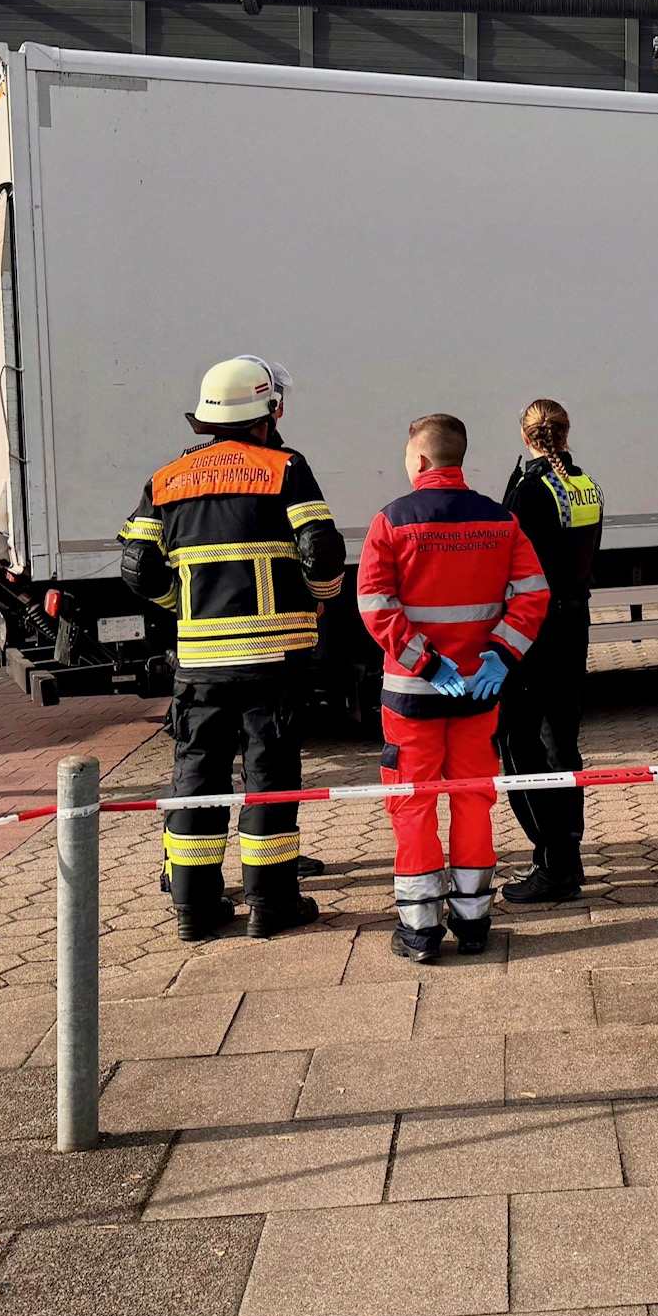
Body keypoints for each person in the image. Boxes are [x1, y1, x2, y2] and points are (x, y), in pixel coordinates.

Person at [119, 356, 346, 943]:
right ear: (269, 412)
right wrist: (321, 596)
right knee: (269, 771)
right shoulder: (286, 469)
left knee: (196, 771)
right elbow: (321, 549)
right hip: (275, 656)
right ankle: (270, 903)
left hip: (200, 659)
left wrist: (182, 603)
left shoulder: (168, 477)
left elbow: (137, 567)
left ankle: (195, 909)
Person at [358, 413, 550, 963]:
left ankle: (419, 932)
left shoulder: (390, 521)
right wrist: (501, 654)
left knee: (412, 802)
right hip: (479, 694)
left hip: (412, 697)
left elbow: (375, 605)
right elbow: (533, 595)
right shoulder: (500, 521)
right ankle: (473, 923)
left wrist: (425, 664)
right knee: (473, 799)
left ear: (419, 460)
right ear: (458, 459)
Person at [498, 399, 603, 905]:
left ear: (526, 436)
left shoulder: (527, 490)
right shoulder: (585, 484)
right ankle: (571, 852)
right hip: (574, 619)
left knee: (519, 743)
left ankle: (554, 863)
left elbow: (506, 557)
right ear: (566, 432)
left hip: (534, 626)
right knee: (563, 739)